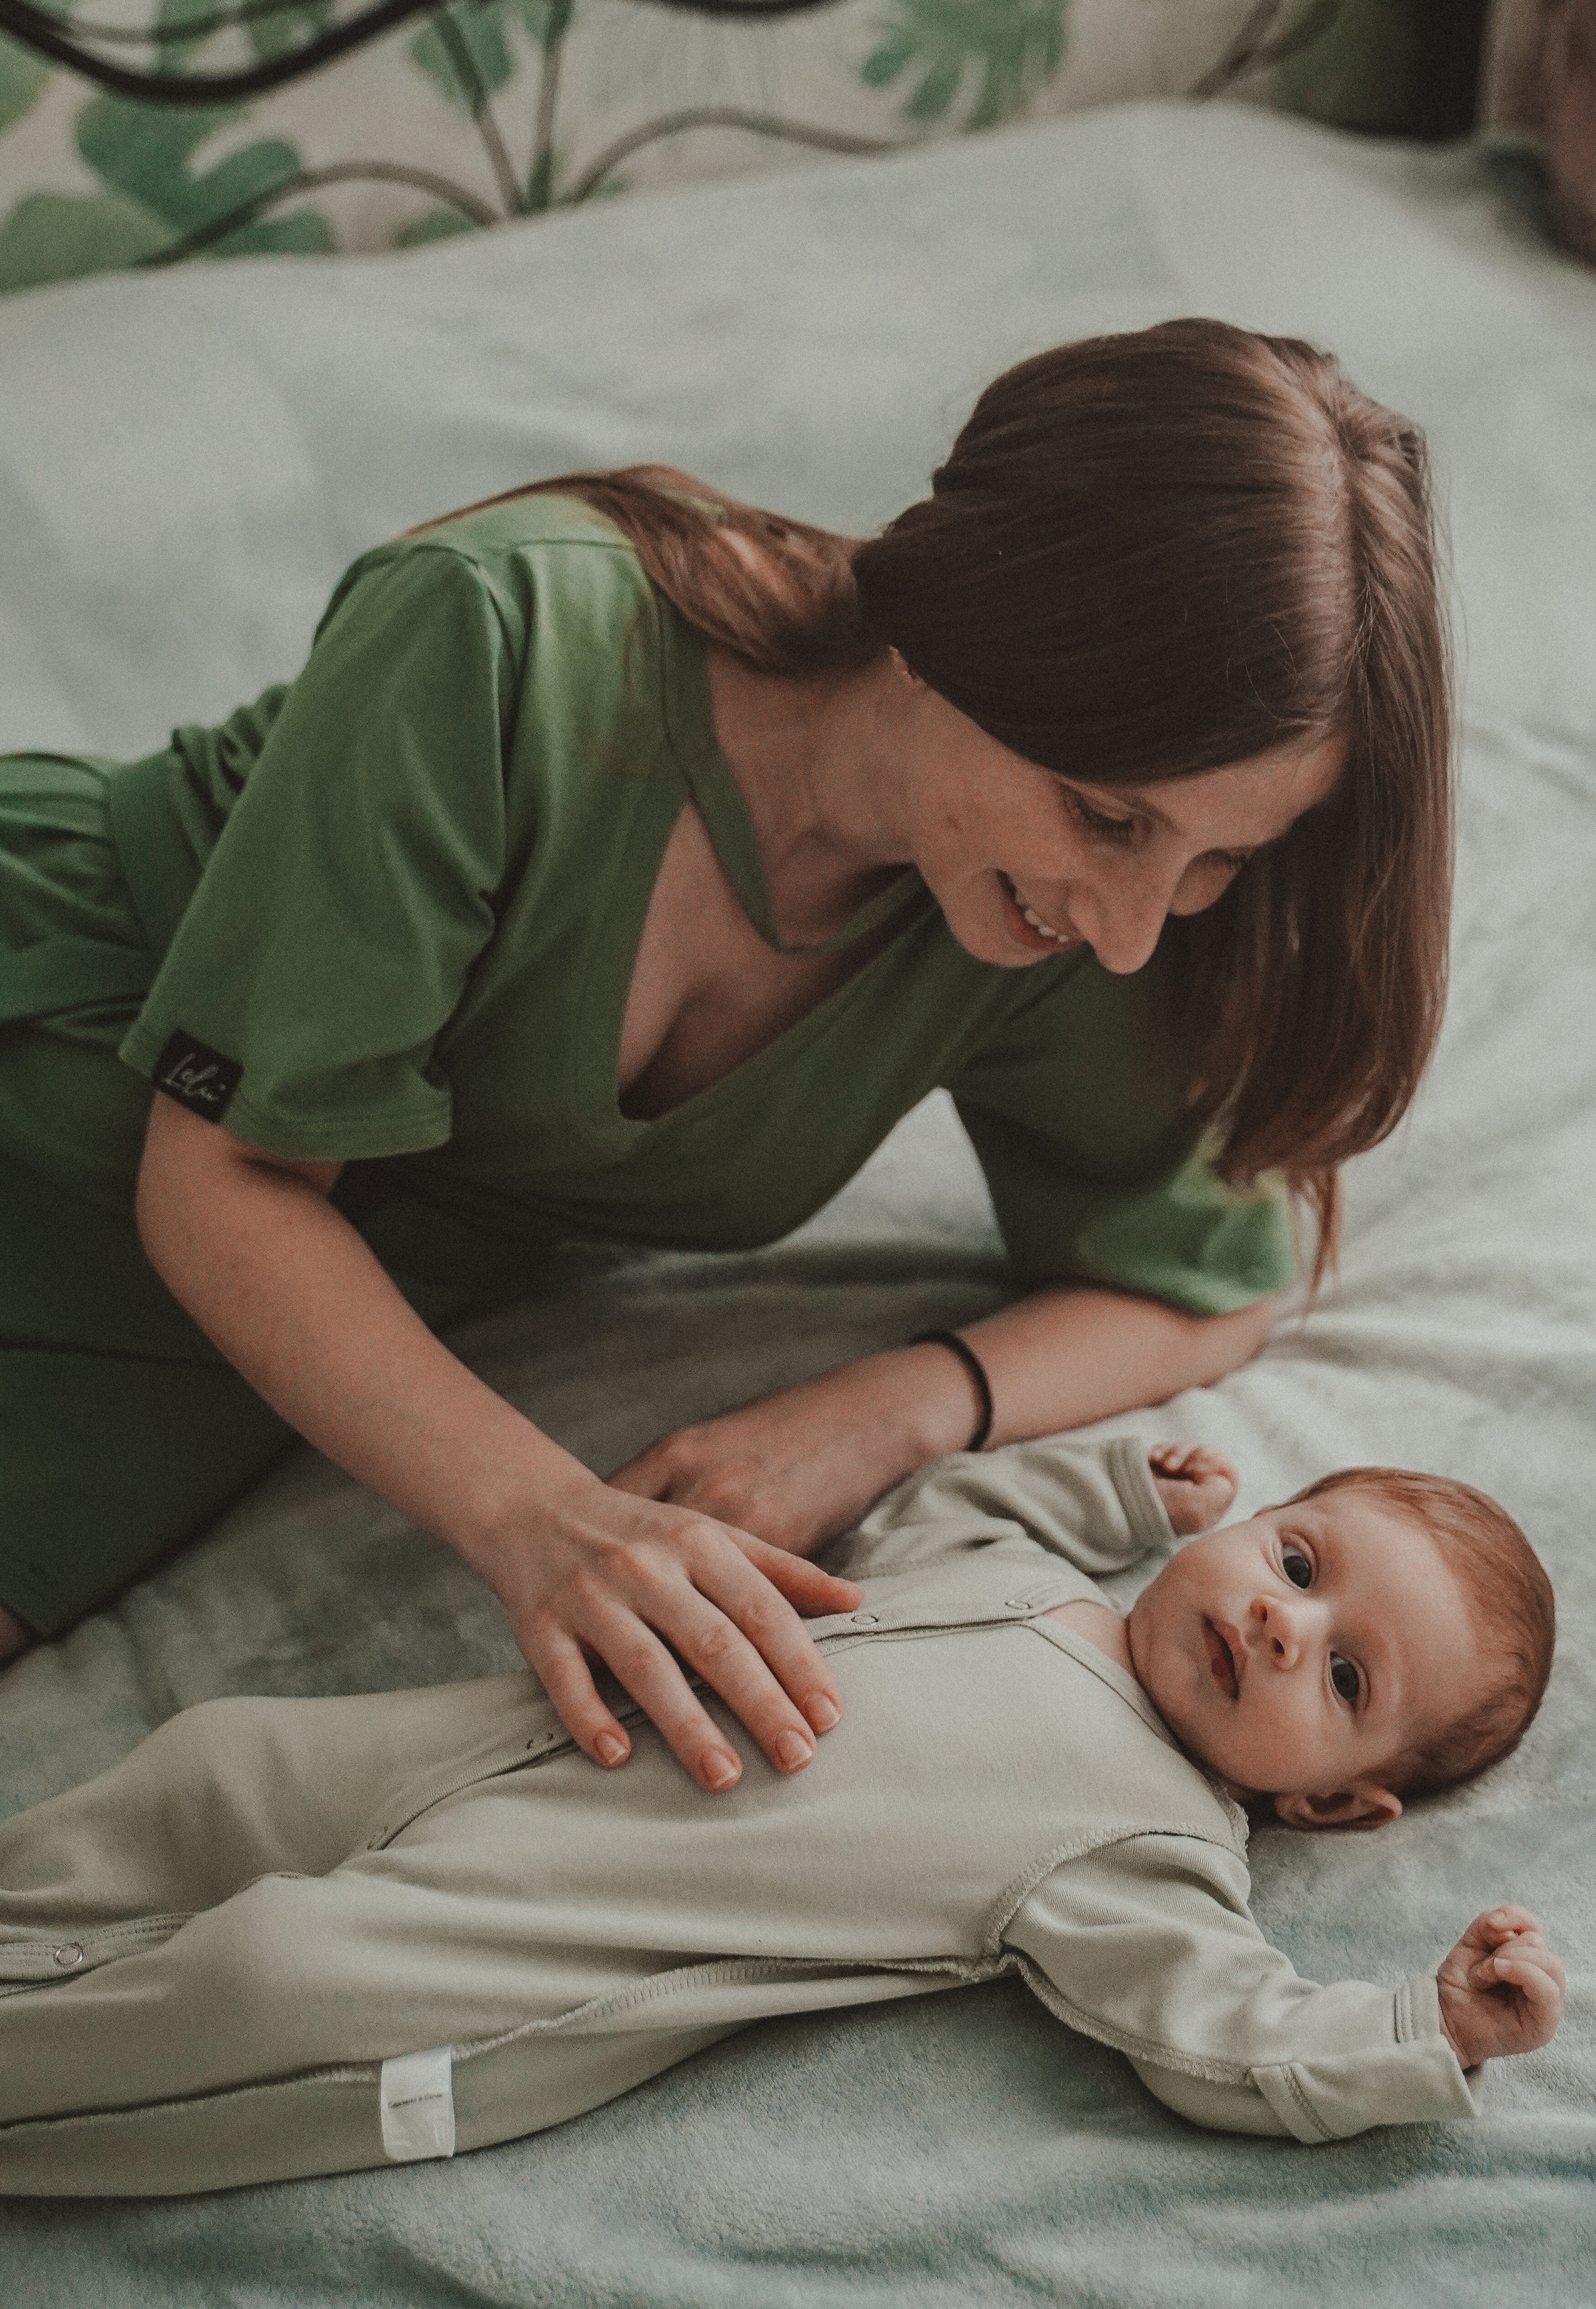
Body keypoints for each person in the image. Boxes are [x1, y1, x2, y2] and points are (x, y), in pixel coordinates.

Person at [0, 320, 1453, 1792]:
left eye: (1217, 860)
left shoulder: (1052, 922)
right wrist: (545, 1522)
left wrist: (875, 1417)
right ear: (965, 618)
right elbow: (230, 1174)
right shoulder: (495, 631)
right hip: (62, 1016)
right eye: (1109, 816)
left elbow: (1202, 1281)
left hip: (265, 1303)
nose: (1136, 931)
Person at [0, 1436, 1562, 2196]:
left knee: (270, 1983)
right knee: (221, 1763)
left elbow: (1225, 2032)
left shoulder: (1148, 1845)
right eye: (1296, 1561)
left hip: (529, 1945)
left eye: (1343, 1675)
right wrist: (1115, 1495)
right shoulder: (1034, 1580)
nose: (1284, 1623)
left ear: (1331, 1800)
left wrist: (1422, 2031)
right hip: (504, 1737)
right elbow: (940, 1507)